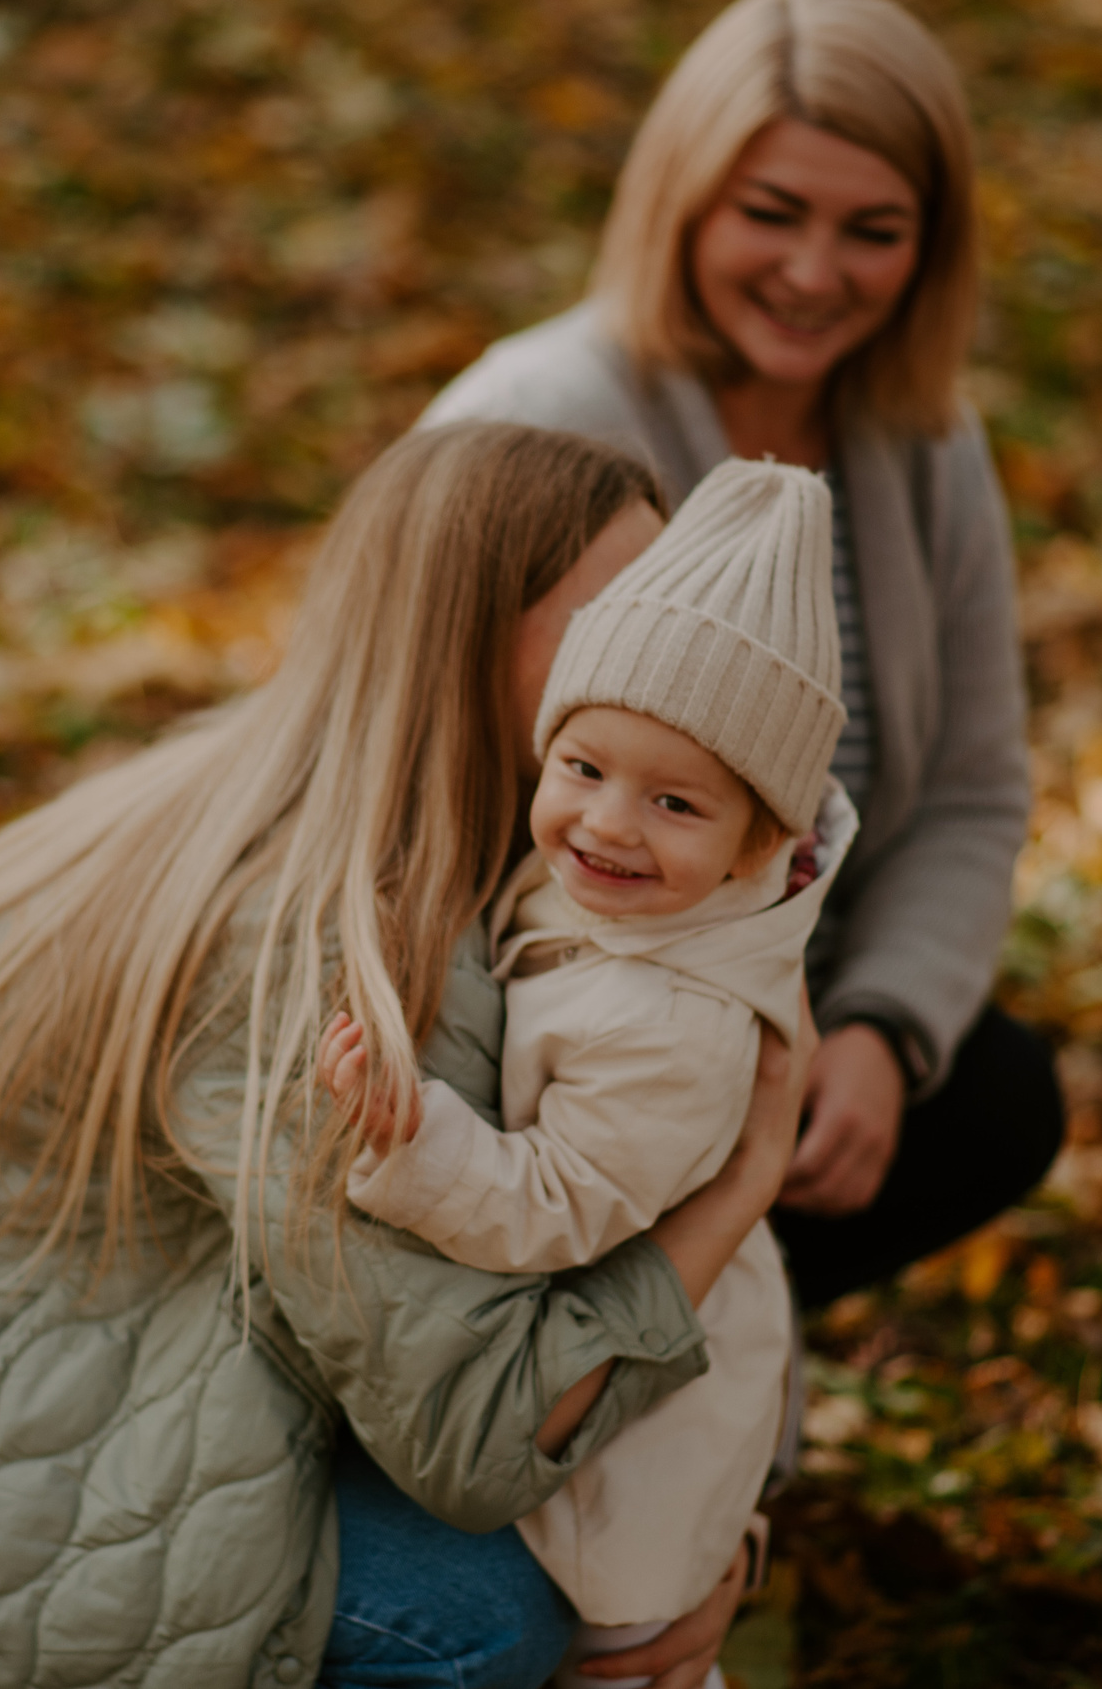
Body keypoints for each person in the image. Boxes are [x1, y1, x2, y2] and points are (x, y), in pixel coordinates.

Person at [0, 423, 808, 1689]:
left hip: (46, 1360)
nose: (659, 657)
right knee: (479, 1614)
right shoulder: (327, 946)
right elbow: (478, 1434)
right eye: (613, 619)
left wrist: (696, 1536)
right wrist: (744, 1181)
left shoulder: (473, 843)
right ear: (454, 637)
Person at [420, 0, 1064, 1306]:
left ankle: (718, 1342)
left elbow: (970, 792)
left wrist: (882, 1031)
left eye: (873, 230)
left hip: (790, 1003)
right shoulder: (536, 416)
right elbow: (390, 769)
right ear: (684, 202)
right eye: (771, 213)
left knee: (997, 1094)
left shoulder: (929, 450)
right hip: (561, 1009)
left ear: (930, 249)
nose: (815, 272)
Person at [321, 460, 857, 1689]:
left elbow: (558, 1205)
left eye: (674, 801)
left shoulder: (674, 1023)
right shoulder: (613, 892)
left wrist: (415, 1143)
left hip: (634, 1413)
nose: (609, 823)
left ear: (760, 844)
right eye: (582, 767)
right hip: (606, 1341)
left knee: (627, 1652)